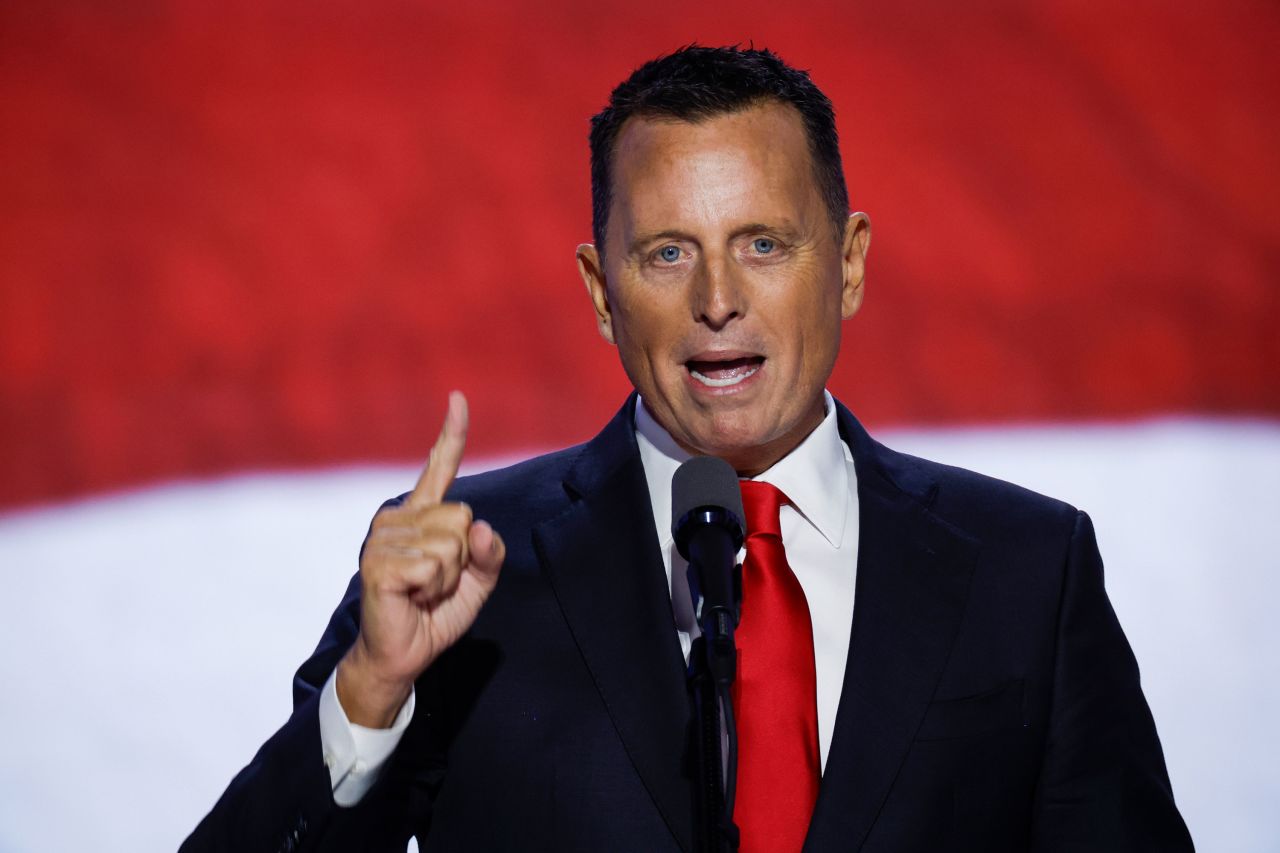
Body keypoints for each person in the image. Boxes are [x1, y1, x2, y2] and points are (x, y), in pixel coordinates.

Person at [182, 46, 1193, 852]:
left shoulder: (1024, 568)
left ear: (845, 265)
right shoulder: (468, 574)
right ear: (598, 292)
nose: (717, 300)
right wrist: (370, 691)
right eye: (666, 253)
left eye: (762, 243)